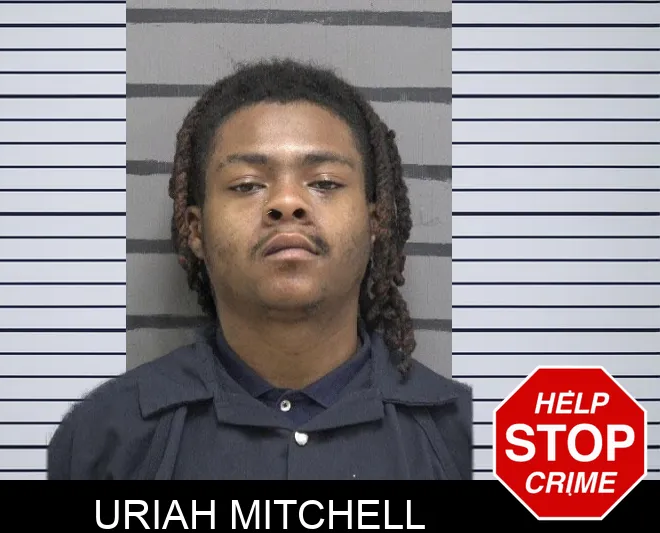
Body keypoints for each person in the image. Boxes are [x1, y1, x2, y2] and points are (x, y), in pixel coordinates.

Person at [47, 58, 472, 480]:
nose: (287, 202)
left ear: (375, 221)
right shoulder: (100, 441)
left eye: (324, 182)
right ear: (195, 229)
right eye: (247, 184)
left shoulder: (466, 442)